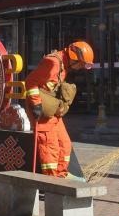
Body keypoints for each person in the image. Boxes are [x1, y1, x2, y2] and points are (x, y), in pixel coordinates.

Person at [25, 41, 94, 179]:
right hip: (41, 110)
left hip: (52, 108)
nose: (80, 68)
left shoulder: (63, 64)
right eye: (81, 64)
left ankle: (61, 175)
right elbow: (30, 82)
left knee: (65, 144)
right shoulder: (53, 63)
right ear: (74, 58)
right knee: (50, 146)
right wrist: (36, 104)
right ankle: (52, 180)